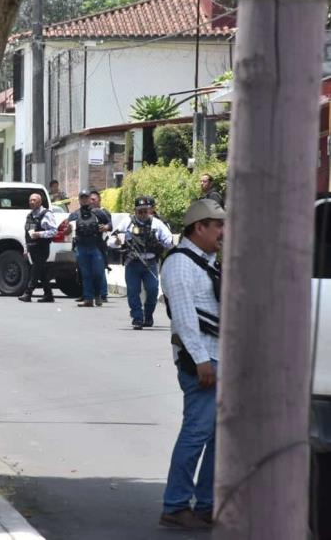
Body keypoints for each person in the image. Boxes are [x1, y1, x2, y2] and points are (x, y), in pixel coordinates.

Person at [159, 199, 225, 530]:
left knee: (216, 435)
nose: (222, 232)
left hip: (216, 355)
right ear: (199, 227)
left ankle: (207, 503)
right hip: (202, 359)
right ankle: (176, 504)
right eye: (217, 226)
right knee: (196, 433)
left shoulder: (208, 261)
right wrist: (202, 362)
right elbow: (185, 320)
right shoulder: (180, 264)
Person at [108, 196, 173, 329]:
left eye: (145, 211)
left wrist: (162, 244)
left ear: (150, 211)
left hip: (150, 263)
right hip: (132, 262)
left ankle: (148, 315)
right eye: (140, 211)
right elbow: (111, 240)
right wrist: (117, 241)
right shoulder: (127, 223)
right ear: (135, 211)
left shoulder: (157, 224)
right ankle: (137, 317)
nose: (143, 214)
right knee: (133, 291)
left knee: (153, 289)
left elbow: (169, 240)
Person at [68, 189, 111, 307]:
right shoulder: (75, 214)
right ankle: (88, 298)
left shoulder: (98, 213)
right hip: (81, 247)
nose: (84, 200)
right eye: (82, 197)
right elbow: (67, 229)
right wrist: (67, 229)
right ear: (79, 199)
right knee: (85, 274)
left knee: (98, 273)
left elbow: (110, 224)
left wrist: (105, 227)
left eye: (86, 197)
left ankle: (97, 295)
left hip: (96, 247)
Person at [19, 193, 58, 303]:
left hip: (42, 248)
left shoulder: (46, 214)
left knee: (35, 270)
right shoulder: (30, 215)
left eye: (34, 200)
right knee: (42, 271)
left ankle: (28, 293)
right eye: (30, 200)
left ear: (40, 202)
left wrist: (39, 234)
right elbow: (26, 234)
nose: (31, 202)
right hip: (32, 248)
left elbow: (54, 231)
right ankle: (48, 295)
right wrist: (26, 249)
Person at [89, 190, 112, 303]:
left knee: (100, 269)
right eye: (90, 199)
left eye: (94, 199)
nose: (91, 201)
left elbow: (110, 224)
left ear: (99, 200)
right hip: (88, 243)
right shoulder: (87, 212)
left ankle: (103, 294)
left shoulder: (103, 212)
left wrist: (106, 227)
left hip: (100, 243)